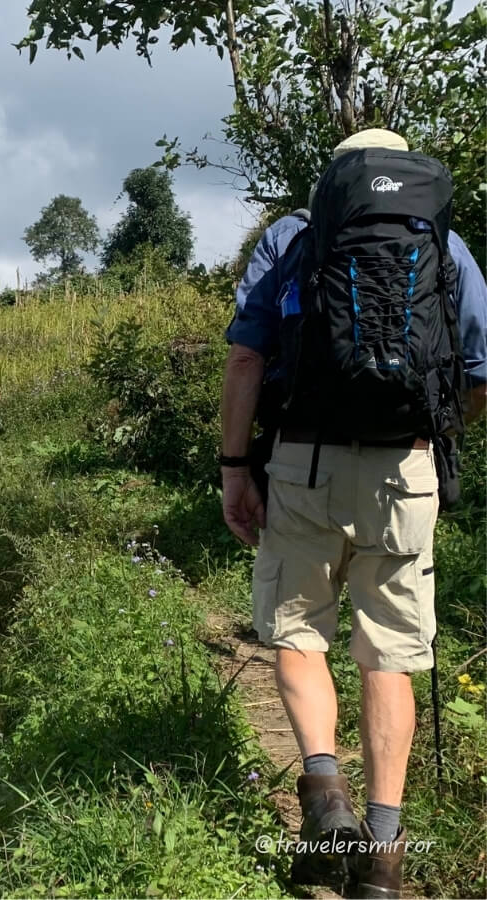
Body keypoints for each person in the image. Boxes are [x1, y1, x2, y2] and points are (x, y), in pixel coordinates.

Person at [221, 128, 487, 897]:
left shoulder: (291, 235)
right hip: (405, 468)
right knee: (390, 654)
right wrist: (432, 436)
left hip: (302, 462)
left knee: (299, 631)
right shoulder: (444, 241)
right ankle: (382, 850)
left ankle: (324, 788)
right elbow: (478, 367)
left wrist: (236, 468)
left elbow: (246, 357)